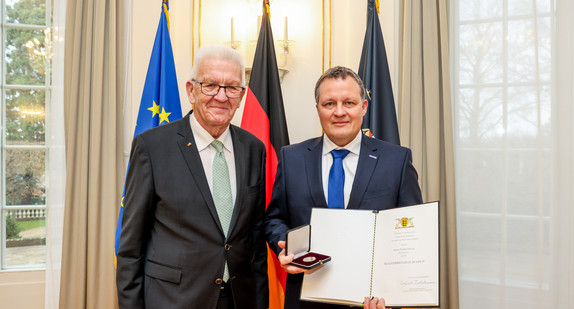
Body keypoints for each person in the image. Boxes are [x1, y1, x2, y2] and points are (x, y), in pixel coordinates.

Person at [116, 45, 268, 309]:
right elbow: (131, 248)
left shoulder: (254, 149)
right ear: (191, 90)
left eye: (232, 87)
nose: (221, 97)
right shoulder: (152, 148)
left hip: (238, 299)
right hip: (173, 299)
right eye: (210, 85)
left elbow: (254, 241)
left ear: (242, 95)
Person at [264, 66, 423, 309]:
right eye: (329, 103)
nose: (339, 112)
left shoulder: (397, 161)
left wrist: (398, 293)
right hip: (306, 298)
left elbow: (411, 233)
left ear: (364, 107)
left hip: (373, 302)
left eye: (349, 102)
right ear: (318, 109)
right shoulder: (291, 158)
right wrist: (282, 246)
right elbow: (274, 219)